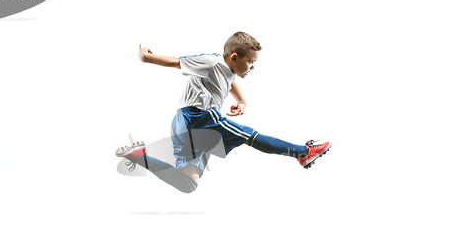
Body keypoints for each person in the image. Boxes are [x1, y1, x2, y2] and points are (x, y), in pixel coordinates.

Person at [116, 32, 331, 193]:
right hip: (198, 117)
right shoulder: (211, 61)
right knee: (249, 136)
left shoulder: (226, 70)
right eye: (251, 62)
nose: (253, 68)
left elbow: (229, 81)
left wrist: (241, 100)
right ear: (235, 57)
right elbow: (174, 62)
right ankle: (303, 152)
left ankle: (140, 157)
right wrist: (144, 57)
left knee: (187, 183)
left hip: (182, 124)